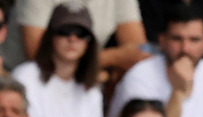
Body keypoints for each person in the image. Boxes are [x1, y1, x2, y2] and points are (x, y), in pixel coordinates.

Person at [12, 4, 103, 117]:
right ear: (50, 37)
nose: (72, 39)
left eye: (81, 34)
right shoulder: (25, 77)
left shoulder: (92, 89)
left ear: (89, 43)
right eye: (64, 31)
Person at [12, 0, 148, 74]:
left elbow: (138, 52)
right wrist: (113, 58)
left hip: (81, 79)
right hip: (23, 78)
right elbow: (38, 56)